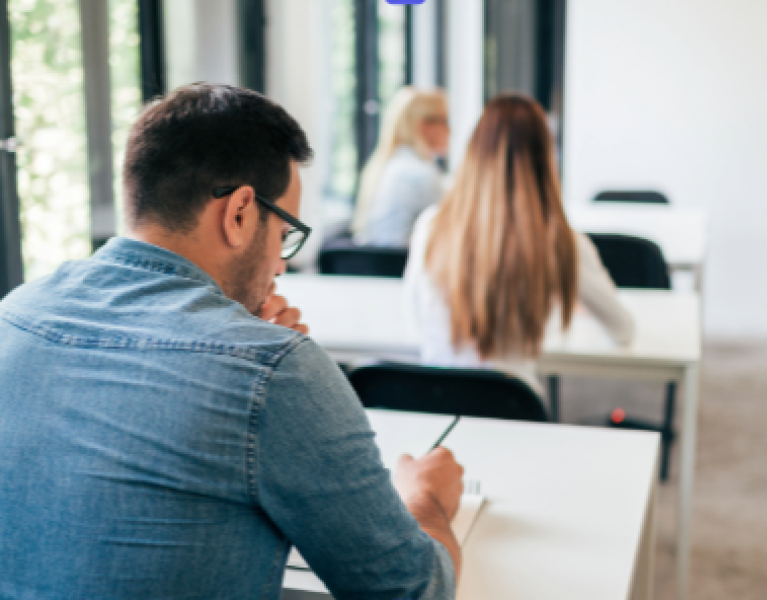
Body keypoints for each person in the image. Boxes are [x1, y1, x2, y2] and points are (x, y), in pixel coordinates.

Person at [0, 84, 463, 600]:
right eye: (285, 232)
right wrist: (426, 501)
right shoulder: (273, 371)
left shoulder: (13, 315)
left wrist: (244, 350)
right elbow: (412, 590)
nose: (281, 263)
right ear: (240, 212)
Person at [404, 94, 635, 396]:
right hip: (514, 413)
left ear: (473, 152)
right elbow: (623, 330)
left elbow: (416, 322)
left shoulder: (431, 226)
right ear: (546, 159)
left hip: (433, 416)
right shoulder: (562, 242)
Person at [352, 87, 449, 247]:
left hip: (378, 266)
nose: (450, 130)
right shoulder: (421, 174)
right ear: (425, 126)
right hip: (402, 264)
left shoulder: (386, 166)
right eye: (445, 121)